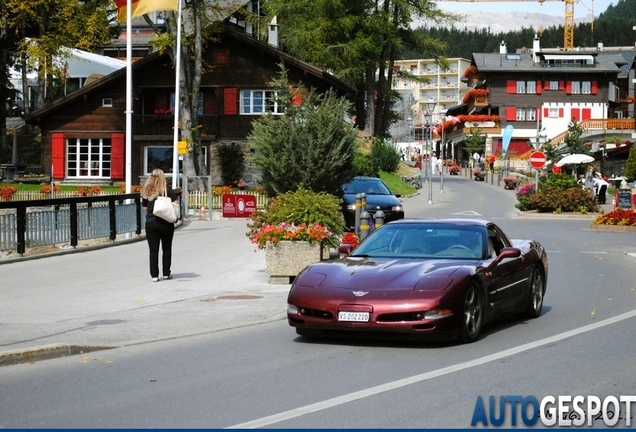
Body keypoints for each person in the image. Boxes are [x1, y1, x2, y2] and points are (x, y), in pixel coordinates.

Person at [140, 168, 181, 282]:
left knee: (153, 250)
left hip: (151, 222)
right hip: (166, 222)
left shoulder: (146, 192)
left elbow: (145, 208)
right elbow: (176, 205)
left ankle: (154, 275)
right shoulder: (168, 191)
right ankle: (166, 273)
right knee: (167, 248)